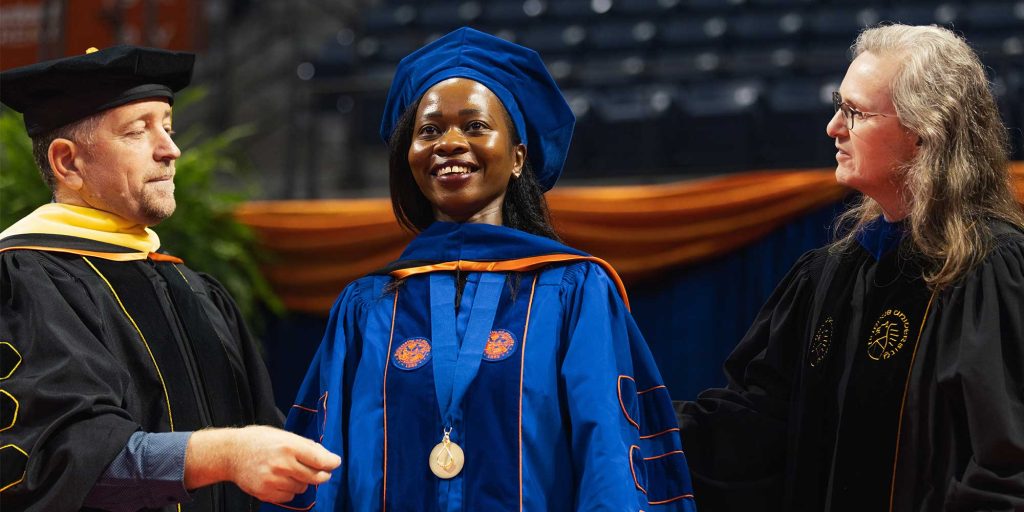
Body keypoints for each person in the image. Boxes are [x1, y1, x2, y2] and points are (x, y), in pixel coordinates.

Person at [263, 27, 697, 511]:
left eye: (474, 126)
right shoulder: (367, 306)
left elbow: (609, 464)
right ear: (409, 158)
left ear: (517, 158)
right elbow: (323, 470)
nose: (449, 142)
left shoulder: (572, 291)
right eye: (428, 130)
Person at [677, 24, 1024, 511]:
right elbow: (753, 428)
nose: (833, 128)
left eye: (854, 112)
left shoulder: (988, 271)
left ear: (925, 134)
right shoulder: (828, 277)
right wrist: (632, 421)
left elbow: (1007, 466)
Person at [0, 46, 340, 511]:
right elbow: (58, 463)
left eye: (169, 127)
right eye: (138, 131)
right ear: (68, 163)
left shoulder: (193, 289)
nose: (171, 149)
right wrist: (223, 454)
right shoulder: (25, 284)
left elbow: (263, 442)